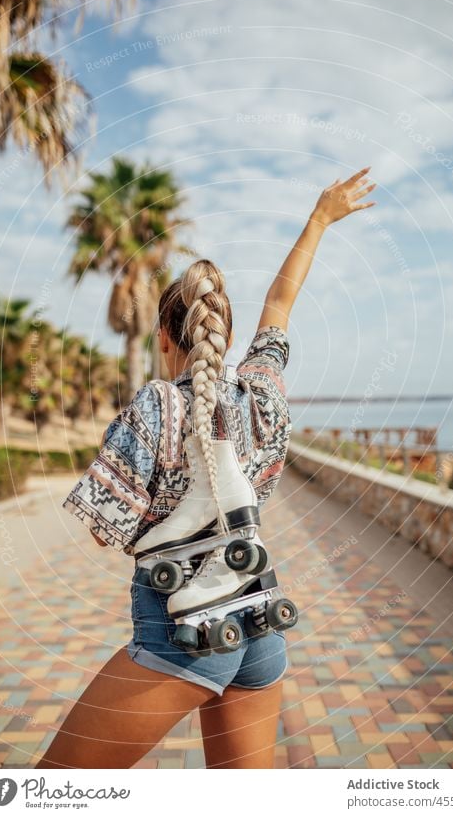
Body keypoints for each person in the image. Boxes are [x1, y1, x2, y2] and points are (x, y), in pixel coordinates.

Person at [35, 166, 376, 770]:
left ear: (166, 336)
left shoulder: (156, 407)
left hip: (182, 631)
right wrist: (321, 217)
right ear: (227, 335)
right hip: (261, 624)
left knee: (52, 791)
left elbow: (104, 527)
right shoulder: (261, 396)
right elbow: (280, 304)